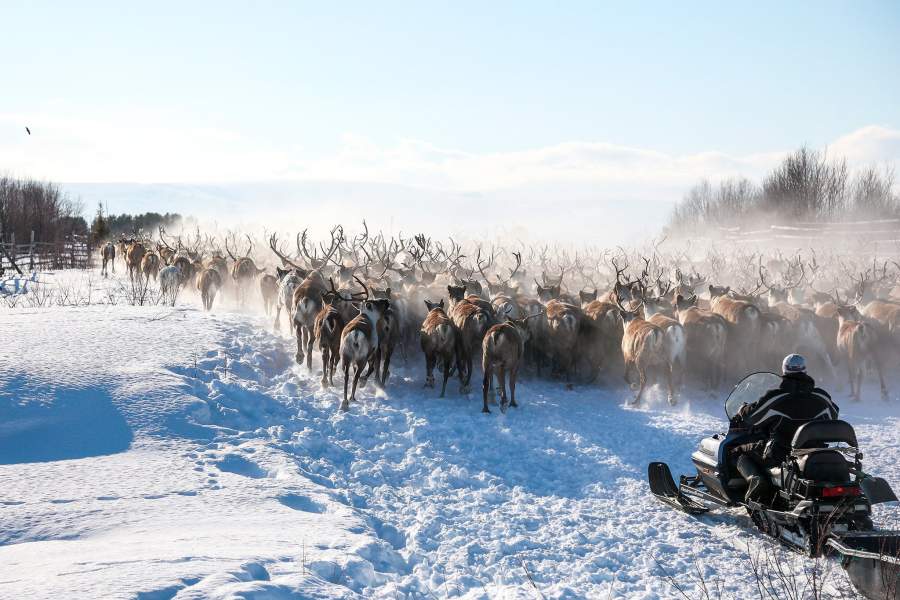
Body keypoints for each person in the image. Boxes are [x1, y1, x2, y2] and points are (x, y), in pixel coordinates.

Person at [731, 354, 839, 502]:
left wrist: (743, 409)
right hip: (816, 452)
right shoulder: (822, 397)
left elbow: (753, 417)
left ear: (784, 371)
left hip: (782, 453)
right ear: (805, 371)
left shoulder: (777, 397)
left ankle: (757, 480)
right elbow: (834, 415)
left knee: (738, 451)